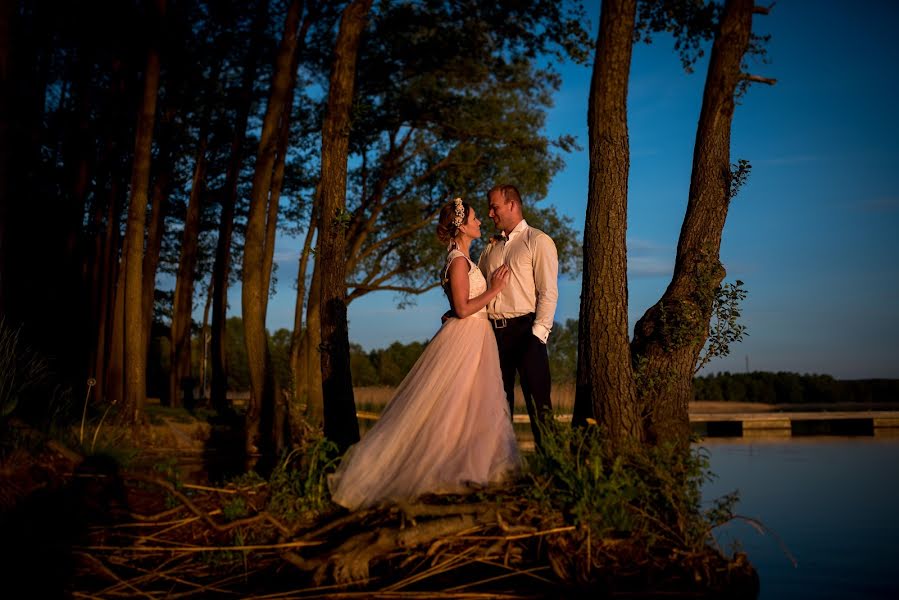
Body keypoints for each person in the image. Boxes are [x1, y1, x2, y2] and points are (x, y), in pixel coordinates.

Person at [328, 198, 522, 511]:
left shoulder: (463, 259)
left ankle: (467, 475)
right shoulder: (458, 261)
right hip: (467, 337)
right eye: (475, 218)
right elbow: (462, 308)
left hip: (476, 337)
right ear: (461, 226)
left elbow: (457, 305)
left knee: (471, 408)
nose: (480, 222)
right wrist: (495, 290)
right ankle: (431, 475)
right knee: (450, 406)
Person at [478, 184, 559, 451]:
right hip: (492, 334)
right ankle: (501, 469)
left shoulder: (538, 241)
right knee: (498, 406)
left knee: (539, 406)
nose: (490, 213)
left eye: (494, 207)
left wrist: (538, 336)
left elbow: (548, 291)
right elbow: (479, 288)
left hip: (526, 332)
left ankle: (552, 469)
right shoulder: (491, 248)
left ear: (512, 205)